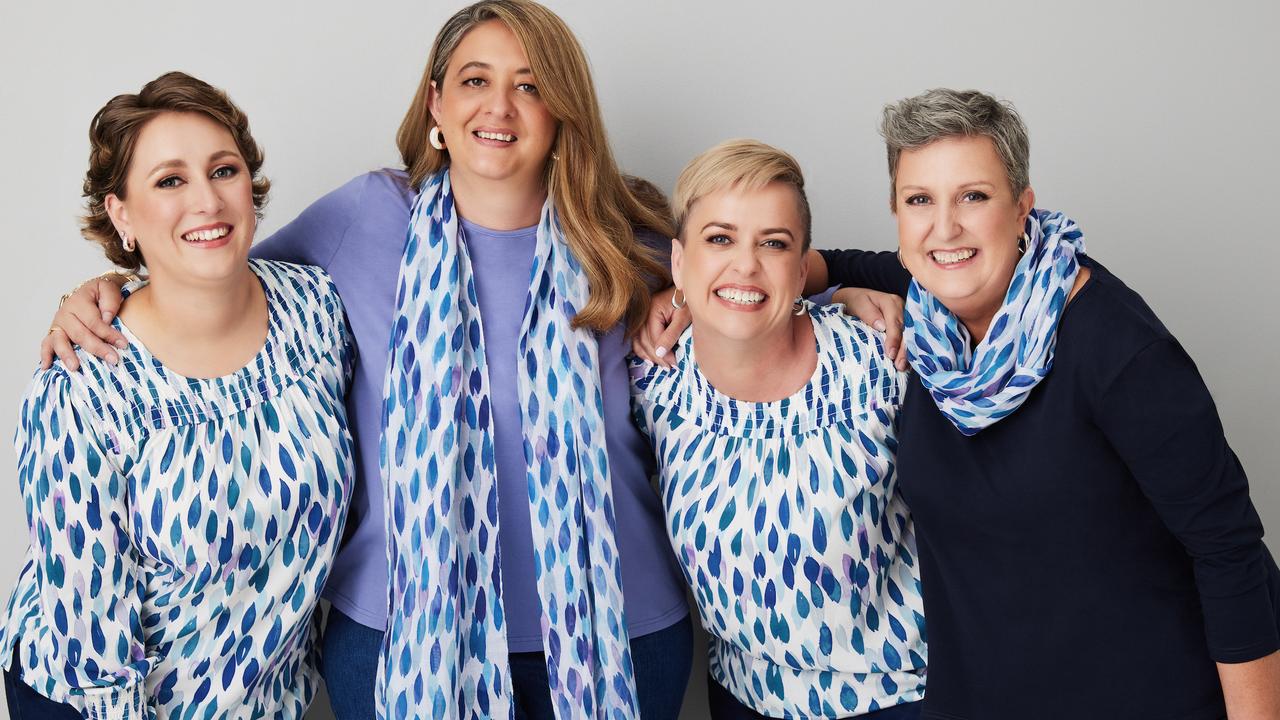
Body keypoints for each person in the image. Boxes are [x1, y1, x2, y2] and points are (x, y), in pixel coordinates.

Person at [40, 3, 695, 718]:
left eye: (531, 85)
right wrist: (104, 291)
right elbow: (207, 273)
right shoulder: (366, 218)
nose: (500, 106)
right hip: (398, 637)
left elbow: (769, 284)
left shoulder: (633, 246)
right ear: (436, 103)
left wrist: (833, 274)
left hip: (618, 637)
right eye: (475, 80)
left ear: (563, 110)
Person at [821, 88, 1280, 718]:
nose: (944, 227)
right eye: (919, 200)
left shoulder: (1119, 353)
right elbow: (812, 264)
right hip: (984, 696)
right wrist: (682, 297)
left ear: (1021, 209)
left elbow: (1229, 551)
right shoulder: (930, 303)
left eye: (973, 197)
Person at [0, 72, 354, 719]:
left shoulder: (318, 310)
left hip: (264, 700)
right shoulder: (82, 385)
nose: (207, 201)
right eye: (169, 180)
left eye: (223, 170)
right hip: (99, 702)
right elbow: (91, 650)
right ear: (122, 214)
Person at [630, 139, 926, 720]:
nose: (745, 264)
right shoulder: (651, 382)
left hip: (898, 699)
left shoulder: (881, 361)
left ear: (802, 266)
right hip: (741, 698)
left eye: (773, 243)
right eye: (719, 239)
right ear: (679, 261)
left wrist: (840, 293)